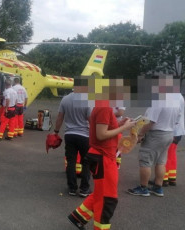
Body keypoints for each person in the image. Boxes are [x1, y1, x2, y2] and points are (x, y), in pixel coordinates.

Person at [68, 102, 135, 230]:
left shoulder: (103, 106)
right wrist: (124, 127)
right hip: (103, 157)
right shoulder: (104, 107)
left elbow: (104, 129)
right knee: (108, 198)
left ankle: (78, 217)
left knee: (101, 193)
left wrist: (120, 124)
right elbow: (101, 134)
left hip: (104, 156)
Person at [128, 95, 181, 196]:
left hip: (156, 134)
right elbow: (177, 120)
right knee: (161, 162)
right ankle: (158, 187)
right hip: (169, 133)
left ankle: (143, 188)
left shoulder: (158, 100)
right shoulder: (174, 100)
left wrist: (140, 134)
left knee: (145, 161)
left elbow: (151, 121)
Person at [54, 92, 92, 197]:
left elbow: (60, 117)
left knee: (71, 162)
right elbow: (91, 120)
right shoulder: (87, 100)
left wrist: (56, 131)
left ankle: (72, 188)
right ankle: (84, 189)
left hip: (69, 134)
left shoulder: (65, 99)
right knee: (87, 162)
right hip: (85, 135)